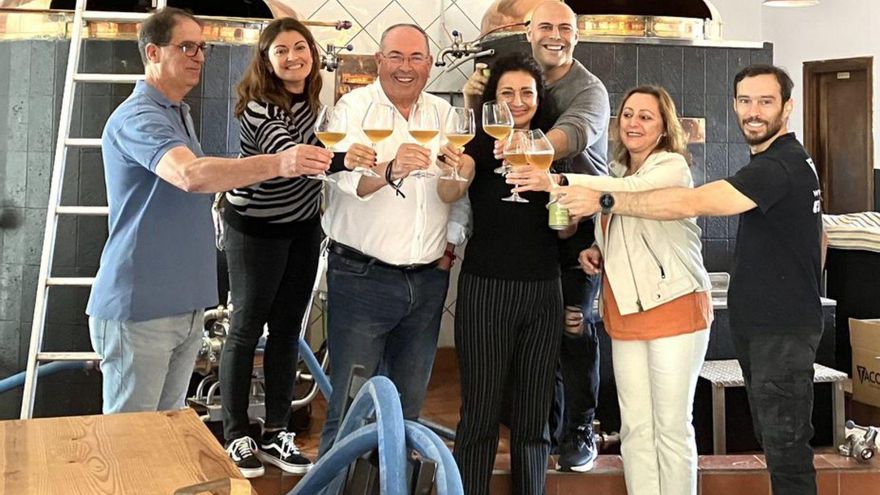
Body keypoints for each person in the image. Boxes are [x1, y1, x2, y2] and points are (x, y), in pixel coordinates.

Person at [548, 65, 824, 495]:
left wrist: (585, 191)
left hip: (775, 326)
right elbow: (819, 233)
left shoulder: (776, 165)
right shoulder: (776, 162)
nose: (753, 111)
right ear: (733, 104)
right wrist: (603, 248)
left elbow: (693, 202)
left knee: (783, 447)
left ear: (788, 107)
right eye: (746, 101)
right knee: (651, 429)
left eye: (766, 101)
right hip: (760, 322)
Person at [86, 7, 331, 415]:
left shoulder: (178, 112)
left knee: (166, 432)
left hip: (183, 305)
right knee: (131, 447)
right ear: (152, 53)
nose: (199, 56)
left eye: (202, 47)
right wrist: (280, 163)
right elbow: (192, 176)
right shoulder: (138, 117)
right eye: (186, 47)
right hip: (141, 306)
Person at [513, 84, 713, 495]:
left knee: (671, 427)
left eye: (646, 116)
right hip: (624, 309)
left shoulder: (670, 166)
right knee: (636, 428)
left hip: (674, 306)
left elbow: (631, 198)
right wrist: (596, 250)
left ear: (663, 128)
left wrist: (556, 179)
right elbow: (622, 215)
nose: (634, 122)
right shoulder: (618, 173)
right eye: (628, 114)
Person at [463, 0, 610, 472]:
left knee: (576, 324)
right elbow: (465, 170)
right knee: (512, 394)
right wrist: (477, 114)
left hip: (585, 229)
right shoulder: (507, 100)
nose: (555, 35)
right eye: (545, 26)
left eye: (565, 27)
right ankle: (539, 437)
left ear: (577, 35)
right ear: (528, 32)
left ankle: (581, 426)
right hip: (507, 265)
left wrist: (530, 150)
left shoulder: (589, 89)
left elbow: (572, 135)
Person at [317, 23, 473, 455]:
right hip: (362, 279)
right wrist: (390, 168)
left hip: (426, 283)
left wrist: (448, 250)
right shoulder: (353, 108)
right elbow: (347, 181)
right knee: (352, 408)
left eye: (416, 58)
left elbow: (455, 195)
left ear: (429, 64)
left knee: (407, 411)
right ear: (379, 62)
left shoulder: (444, 115)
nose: (406, 68)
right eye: (397, 57)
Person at [219, 17, 337, 478]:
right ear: (266, 61)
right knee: (246, 329)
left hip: (303, 228)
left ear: (312, 53)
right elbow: (296, 161)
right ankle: (235, 435)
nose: (293, 57)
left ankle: (275, 432)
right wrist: (367, 158)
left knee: (288, 332)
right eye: (281, 50)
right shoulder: (257, 108)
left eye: (300, 47)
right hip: (255, 230)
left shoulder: (313, 102)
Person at [450, 53, 564, 495]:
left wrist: (557, 195)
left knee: (533, 415)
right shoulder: (476, 147)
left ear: (539, 98)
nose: (518, 102)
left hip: (543, 289)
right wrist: (453, 170)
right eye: (507, 93)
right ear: (492, 101)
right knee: (479, 412)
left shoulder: (553, 149)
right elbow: (449, 191)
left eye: (526, 93)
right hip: (487, 287)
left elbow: (568, 224)